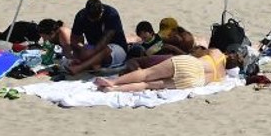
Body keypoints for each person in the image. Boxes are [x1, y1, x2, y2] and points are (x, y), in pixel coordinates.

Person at [94, 47, 241, 92]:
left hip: (192, 65)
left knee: (146, 74)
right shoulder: (222, 76)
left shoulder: (218, 54)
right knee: (148, 85)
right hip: (196, 81)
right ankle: (114, 90)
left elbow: (197, 52)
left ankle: (114, 82)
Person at [66, 0, 128, 75]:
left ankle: (81, 67)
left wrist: (91, 52)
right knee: (75, 49)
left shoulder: (111, 14)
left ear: (102, 11)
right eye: (91, 18)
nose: (93, 21)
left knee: (105, 50)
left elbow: (105, 40)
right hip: (92, 47)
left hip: (115, 48)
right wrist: (82, 48)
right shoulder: (81, 16)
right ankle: (92, 63)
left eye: (96, 18)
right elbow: (75, 39)